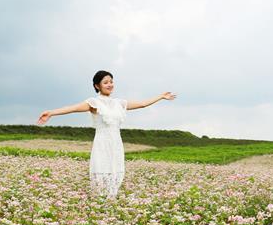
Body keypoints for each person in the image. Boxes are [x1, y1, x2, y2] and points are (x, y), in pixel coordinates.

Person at [37, 70, 176, 198]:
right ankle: (100, 203)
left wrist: (161, 96)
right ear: (97, 86)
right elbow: (72, 108)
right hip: (102, 143)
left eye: (111, 81)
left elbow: (142, 104)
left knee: (115, 173)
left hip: (116, 143)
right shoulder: (94, 103)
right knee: (102, 173)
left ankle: (111, 202)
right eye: (105, 82)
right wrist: (51, 113)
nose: (110, 84)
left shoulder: (119, 103)